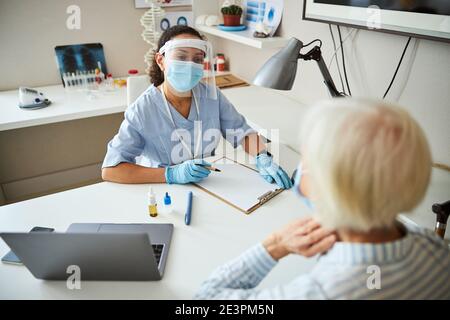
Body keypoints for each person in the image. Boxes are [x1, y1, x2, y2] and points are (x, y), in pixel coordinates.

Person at [195, 98, 450, 299]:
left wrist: (274, 245)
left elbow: (205, 298)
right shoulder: (435, 249)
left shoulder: (321, 292)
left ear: (331, 186)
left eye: (308, 159)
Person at [101, 26, 291, 189]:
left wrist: (262, 157)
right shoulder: (142, 110)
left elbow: (243, 133)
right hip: (161, 189)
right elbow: (111, 170)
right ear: (161, 61)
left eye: (198, 59)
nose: (190, 65)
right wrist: (171, 175)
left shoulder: (212, 96)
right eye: (182, 57)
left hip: (208, 183)